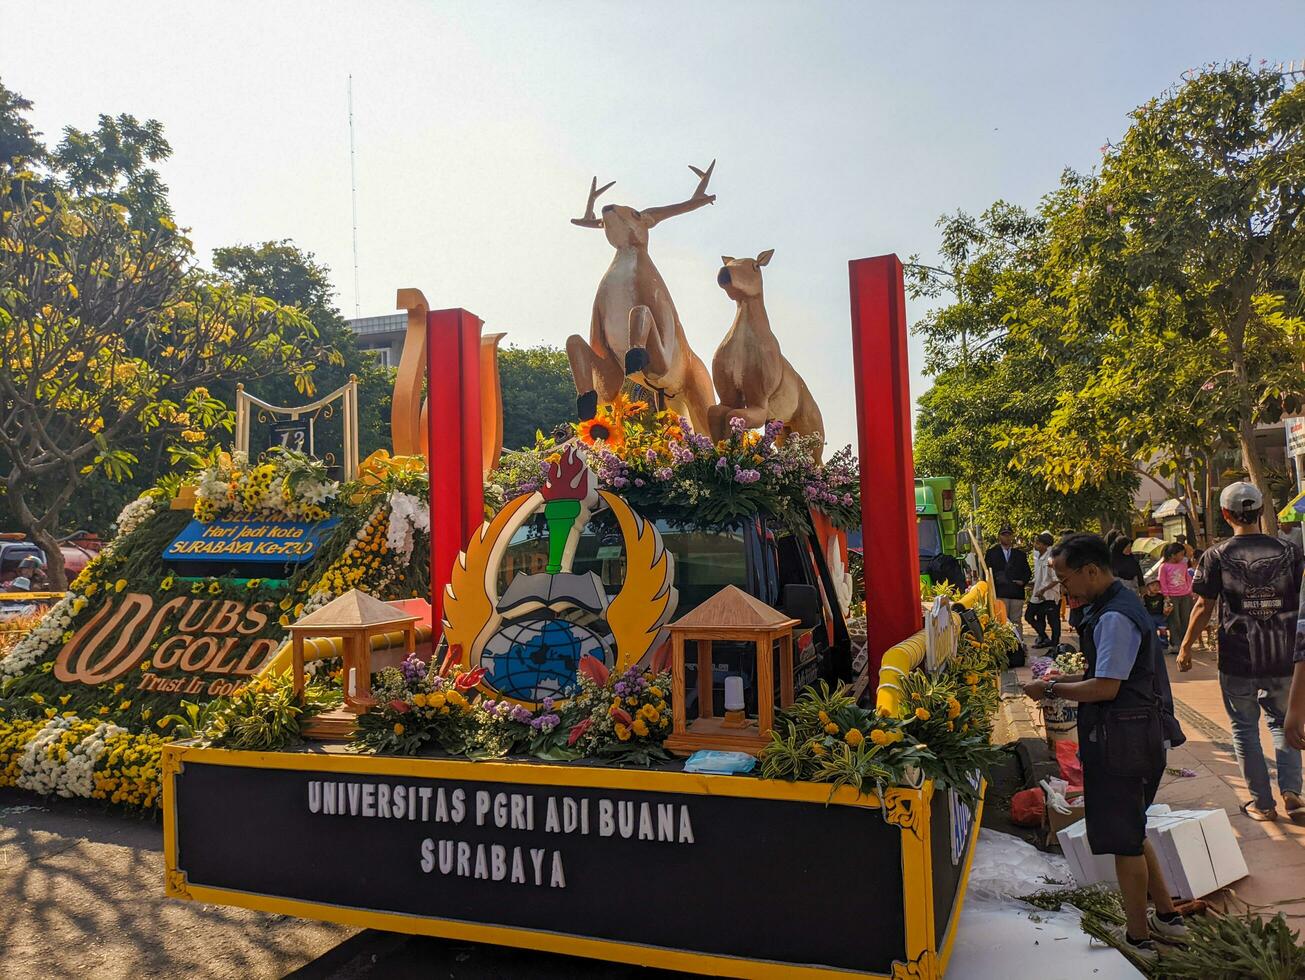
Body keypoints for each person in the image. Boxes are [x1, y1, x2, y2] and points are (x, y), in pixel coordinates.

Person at [1022, 534, 1186, 961]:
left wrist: (1054, 687)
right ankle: (1166, 917)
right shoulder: (1116, 605)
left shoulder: (1114, 616)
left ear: (1091, 570)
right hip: (1132, 734)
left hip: (1123, 740)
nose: (1063, 588)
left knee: (1123, 840)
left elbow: (1107, 687)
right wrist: (1059, 684)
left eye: (1064, 577)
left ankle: (1138, 940)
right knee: (1131, 826)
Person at [1179, 482, 1305, 822]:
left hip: (1238, 659)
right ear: (1262, 511)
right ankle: (1292, 792)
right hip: (1284, 657)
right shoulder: (1291, 552)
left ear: (1224, 514)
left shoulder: (1217, 556)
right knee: (1283, 724)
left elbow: (1204, 605)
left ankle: (1262, 804)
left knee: (1245, 730)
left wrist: (1187, 645)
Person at [985, 526, 1031, 630]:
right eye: (1004, 535)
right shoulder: (992, 553)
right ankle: (1004, 645)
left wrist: (1022, 581)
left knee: (1016, 621)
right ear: (999, 537)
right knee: (1002, 621)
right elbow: (986, 572)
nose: (1006, 537)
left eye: (1009, 535)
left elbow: (1027, 572)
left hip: (1016, 593)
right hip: (1000, 593)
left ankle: (1018, 644)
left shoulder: (1019, 554)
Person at [1026, 532, 1061, 649]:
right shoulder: (1038, 556)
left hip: (1049, 595)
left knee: (1053, 620)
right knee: (1029, 616)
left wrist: (1043, 590)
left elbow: (1056, 579)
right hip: (1038, 593)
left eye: (1039, 543)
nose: (1036, 545)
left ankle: (1055, 643)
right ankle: (1043, 636)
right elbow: (1039, 576)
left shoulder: (1051, 559)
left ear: (1046, 545)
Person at [1158, 542, 1193, 656]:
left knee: (1186, 619)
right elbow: (1162, 582)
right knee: (1174, 620)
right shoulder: (1164, 566)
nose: (1182, 557)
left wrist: (1190, 590)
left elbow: (1187, 577)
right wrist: (1166, 596)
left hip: (1185, 595)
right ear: (1173, 555)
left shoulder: (1183, 564)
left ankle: (1185, 643)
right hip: (1172, 596)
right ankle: (1175, 643)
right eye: (1181, 554)